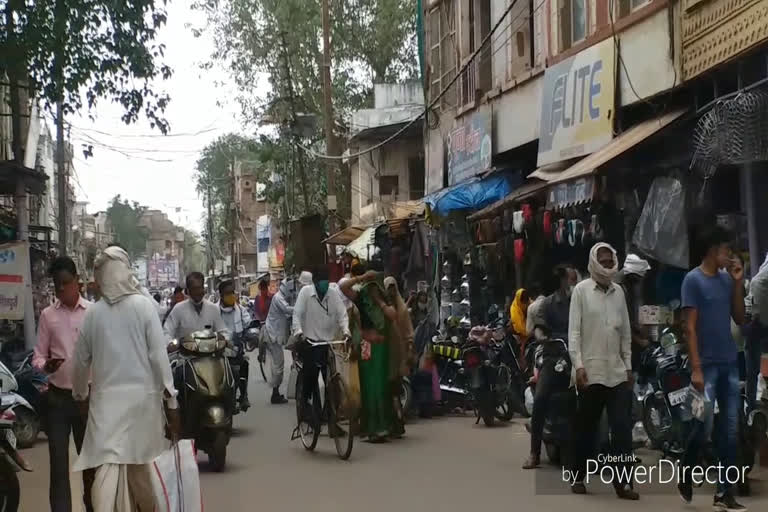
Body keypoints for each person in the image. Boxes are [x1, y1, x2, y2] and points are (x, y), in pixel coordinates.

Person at [71, 246, 179, 511]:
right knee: (141, 463)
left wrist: (80, 396)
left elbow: (80, 364)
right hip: (143, 403)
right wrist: (172, 404)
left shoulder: (93, 314)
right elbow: (159, 359)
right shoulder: (143, 307)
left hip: (105, 404)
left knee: (107, 467)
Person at [678, 226, 746, 511]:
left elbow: (740, 318)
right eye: (724, 250)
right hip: (704, 366)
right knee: (701, 427)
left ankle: (724, 492)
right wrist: (696, 369)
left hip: (728, 363)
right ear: (711, 251)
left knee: (729, 431)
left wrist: (739, 283)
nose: (729, 256)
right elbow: (689, 328)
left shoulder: (726, 280)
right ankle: (687, 468)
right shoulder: (692, 281)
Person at [568, 242, 637, 500]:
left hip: (617, 372)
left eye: (611, 261)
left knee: (621, 428)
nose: (608, 265)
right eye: (604, 261)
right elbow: (574, 333)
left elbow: (626, 334)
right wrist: (579, 366)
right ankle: (578, 475)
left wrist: (628, 366)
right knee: (587, 427)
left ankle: (623, 483)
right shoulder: (581, 292)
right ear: (594, 262)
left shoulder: (619, 292)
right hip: (591, 371)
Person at [32, 257, 94, 512]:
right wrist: (45, 366)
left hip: (88, 399)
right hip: (57, 399)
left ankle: (93, 506)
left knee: (91, 461)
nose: (61, 290)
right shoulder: (48, 315)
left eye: (66, 284)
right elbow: (38, 354)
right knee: (58, 464)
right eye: (57, 285)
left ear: (77, 281)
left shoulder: (93, 313)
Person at [522, 266, 576, 469]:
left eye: (572, 278)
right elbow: (539, 329)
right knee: (542, 397)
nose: (570, 282)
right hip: (554, 357)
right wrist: (545, 338)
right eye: (567, 278)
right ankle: (534, 452)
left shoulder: (578, 303)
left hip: (577, 357)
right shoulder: (547, 304)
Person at [292, 266, 350, 432]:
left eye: (326, 281)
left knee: (333, 383)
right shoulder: (305, 293)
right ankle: (305, 409)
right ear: (315, 282)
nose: (324, 284)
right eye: (321, 281)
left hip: (328, 343)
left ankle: (332, 421)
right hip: (310, 342)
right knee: (310, 377)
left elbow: (342, 315)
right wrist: (299, 333)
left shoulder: (333, 294)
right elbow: (297, 315)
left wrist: (346, 332)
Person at [341, 268, 393, 442]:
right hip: (367, 346)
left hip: (380, 346)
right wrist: (362, 278)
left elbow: (392, 316)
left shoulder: (383, 299)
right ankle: (372, 428)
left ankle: (382, 427)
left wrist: (380, 301)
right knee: (370, 387)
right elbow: (343, 287)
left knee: (380, 386)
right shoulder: (361, 296)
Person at [383, 277, 414, 438]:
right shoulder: (385, 307)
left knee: (394, 389)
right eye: (389, 287)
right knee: (390, 390)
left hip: (399, 354)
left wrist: (409, 351)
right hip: (386, 353)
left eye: (393, 288)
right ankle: (394, 423)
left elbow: (409, 332)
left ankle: (397, 424)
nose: (391, 290)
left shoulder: (401, 309)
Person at [218, 279, 252, 411]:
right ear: (221, 295)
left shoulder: (241, 310)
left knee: (244, 365)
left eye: (233, 292)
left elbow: (248, 324)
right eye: (228, 293)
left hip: (235, 350)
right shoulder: (213, 311)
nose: (231, 295)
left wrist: (250, 334)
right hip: (218, 351)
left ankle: (243, 395)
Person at [164, 272, 226, 340]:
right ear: (188, 290)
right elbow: (166, 332)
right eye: (194, 289)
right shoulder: (178, 309)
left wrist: (223, 338)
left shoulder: (212, 309)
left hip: (209, 349)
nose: (198, 292)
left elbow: (222, 331)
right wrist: (171, 343)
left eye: (200, 288)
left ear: (203, 289)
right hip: (184, 349)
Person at [263, 279, 296, 404]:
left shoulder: (281, 297)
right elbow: (288, 310)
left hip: (275, 334)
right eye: (291, 290)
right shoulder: (278, 298)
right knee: (278, 365)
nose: (292, 293)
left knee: (278, 365)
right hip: (273, 335)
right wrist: (302, 307)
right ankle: (275, 393)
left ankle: (275, 392)